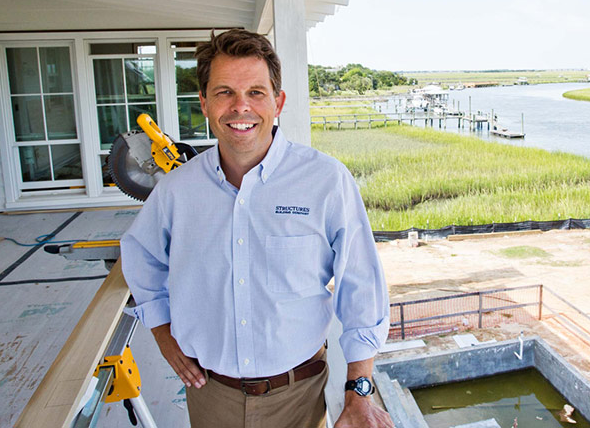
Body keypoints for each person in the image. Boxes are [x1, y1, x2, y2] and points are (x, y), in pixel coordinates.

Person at [120, 29, 393, 428]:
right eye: (224, 92)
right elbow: (140, 256)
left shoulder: (326, 181)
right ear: (205, 103)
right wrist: (162, 334)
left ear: (278, 102)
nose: (240, 107)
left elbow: (360, 283)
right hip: (209, 394)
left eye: (256, 93)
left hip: (299, 396)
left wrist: (360, 389)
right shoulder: (177, 190)